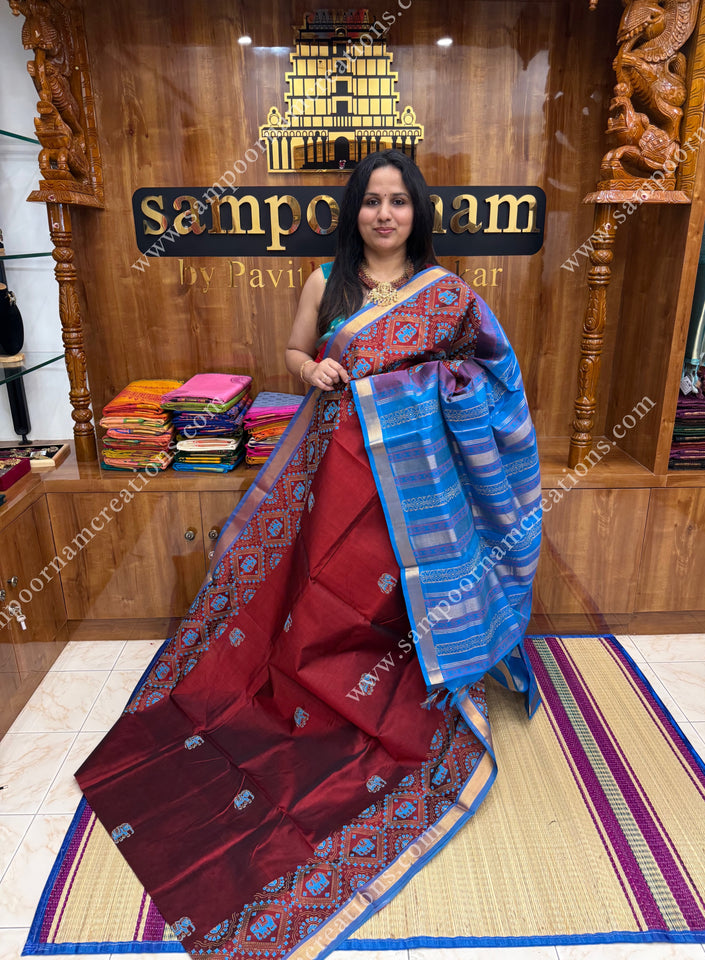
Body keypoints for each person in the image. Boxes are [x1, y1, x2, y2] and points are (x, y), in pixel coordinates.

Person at [76, 150, 542, 960]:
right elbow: (292, 357)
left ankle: (414, 679)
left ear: (416, 212)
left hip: (421, 485)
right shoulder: (328, 286)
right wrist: (316, 368)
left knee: (400, 598)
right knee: (335, 589)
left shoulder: (449, 295)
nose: (385, 214)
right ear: (353, 211)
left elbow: (492, 375)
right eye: (371, 202)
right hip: (342, 468)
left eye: (398, 202)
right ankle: (321, 685)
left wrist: (436, 385)